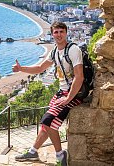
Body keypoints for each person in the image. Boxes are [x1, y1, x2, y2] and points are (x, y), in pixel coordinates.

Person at [12, 21, 84, 166]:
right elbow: (39, 68)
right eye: (56, 32)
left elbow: (79, 76)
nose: (58, 35)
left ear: (66, 33)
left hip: (73, 94)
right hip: (61, 92)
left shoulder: (73, 50)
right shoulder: (54, 52)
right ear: (52, 34)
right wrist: (21, 69)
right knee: (46, 125)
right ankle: (33, 152)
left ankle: (60, 155)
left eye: (61, 31)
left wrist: (68, 98)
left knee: (47, 121)